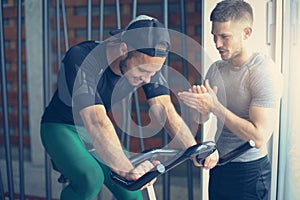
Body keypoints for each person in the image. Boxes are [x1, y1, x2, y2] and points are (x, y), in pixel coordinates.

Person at [40, 15, 218, 200]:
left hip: (93, 132)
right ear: (124, 49)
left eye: (153, 73)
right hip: (59, 127)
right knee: (90, 179)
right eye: (142, 71)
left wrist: (194, 150)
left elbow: (164, 109)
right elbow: (96, 120)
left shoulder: (148, 64)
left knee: (132, 191)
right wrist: (127, 170)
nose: (147, 79)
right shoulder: (82, 57)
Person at [178, 1, 282, 199]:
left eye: (225, 37)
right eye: (214, 36)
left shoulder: (263, 71)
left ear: (246, 33)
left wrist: (215, 107)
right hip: (220, 165)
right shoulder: (216, 68)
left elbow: (258, 137)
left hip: (250, 172)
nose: (217, 44)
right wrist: (199, 106)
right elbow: (202, 119)